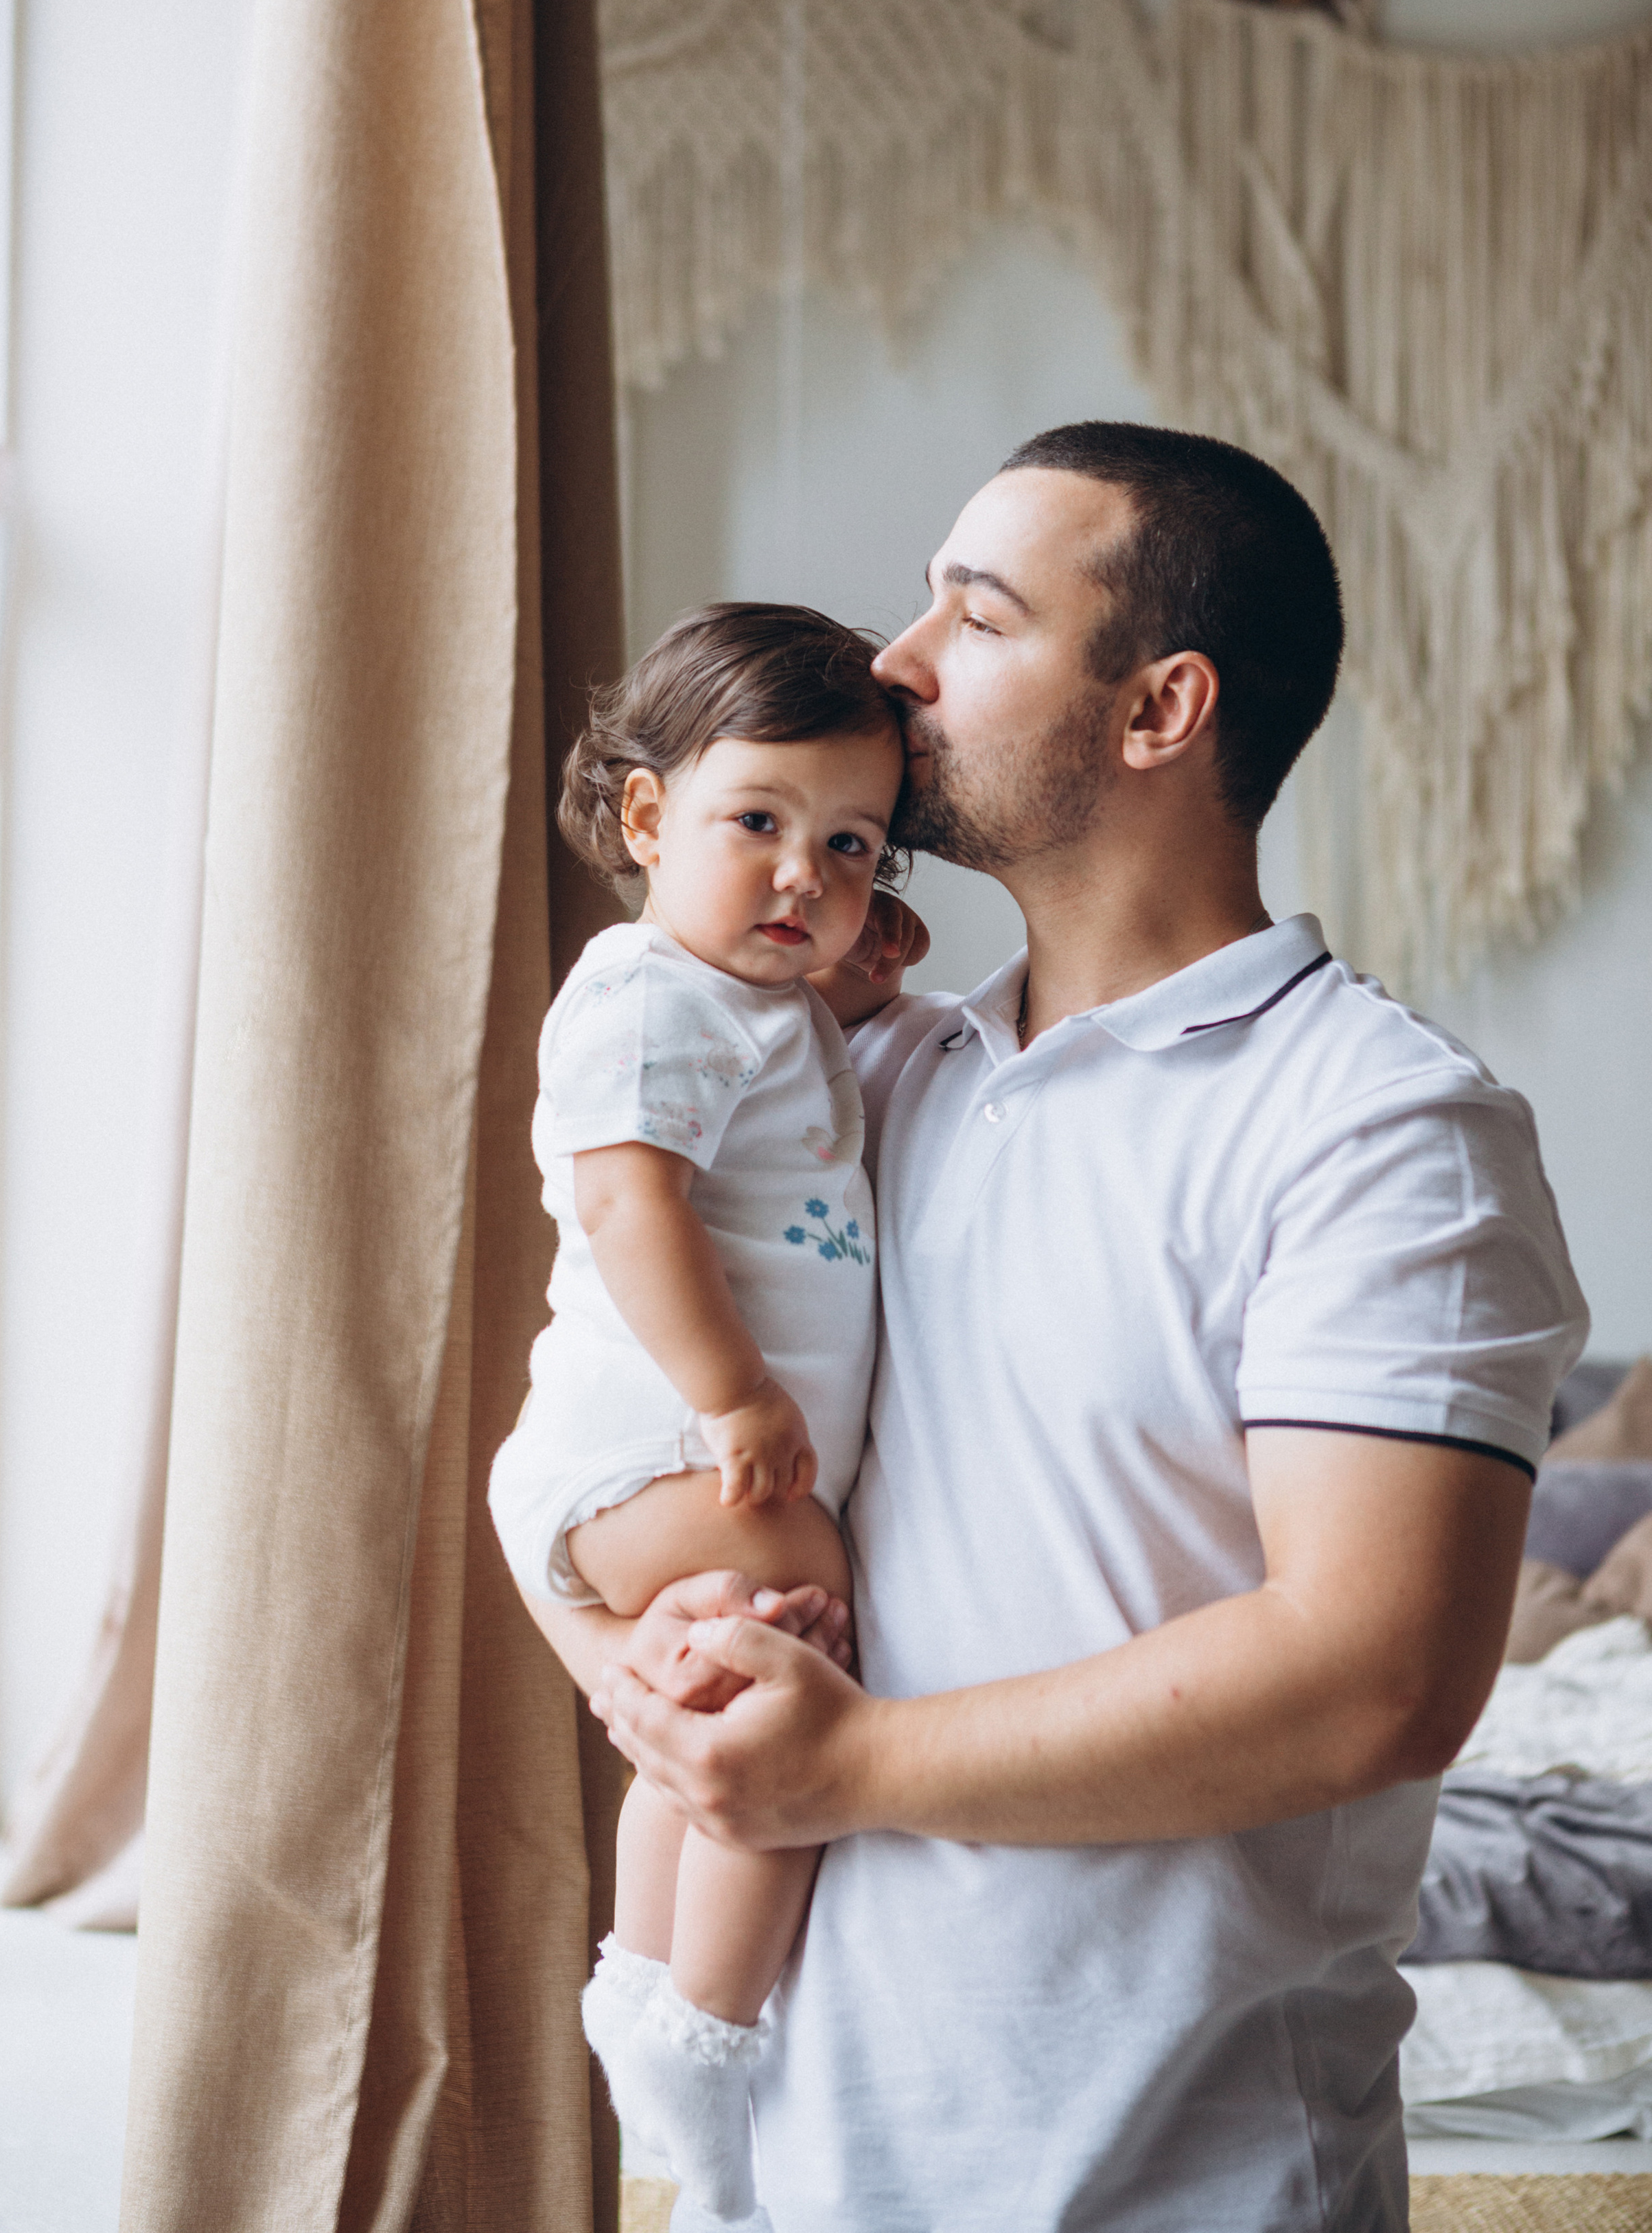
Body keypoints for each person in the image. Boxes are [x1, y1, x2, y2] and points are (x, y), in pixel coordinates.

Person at [535, 424, 1589, 2232]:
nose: (895, 663)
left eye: (977, 615)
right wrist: (625, 1655)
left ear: (1160, 709)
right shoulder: (864, 1079)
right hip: (792, 2175)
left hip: (1169, 2183)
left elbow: (1380, 1676)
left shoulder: (1380, 1128)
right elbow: (608, 1418)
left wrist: (846, 1768)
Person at [487, 602, 925, 2233]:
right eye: (757, 824)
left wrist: (853, 994)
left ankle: (644, 1985)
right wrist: (732, 1391)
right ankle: (713, 2045)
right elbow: (632, 1204)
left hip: (650, 1462)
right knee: (784, 1707)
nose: (803, 876)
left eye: (851, 846)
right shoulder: (646, 996)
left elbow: (774, 1140)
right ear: (646, 817)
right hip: (664, 1445)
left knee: (698, 1729)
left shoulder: (745, 1000)